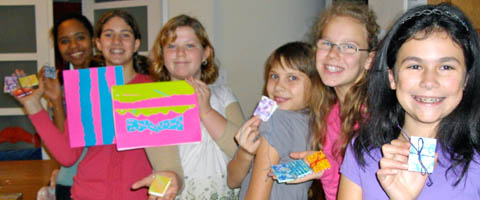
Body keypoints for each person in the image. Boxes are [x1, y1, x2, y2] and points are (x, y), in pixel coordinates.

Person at [338, 3, 480, 199]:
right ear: (392, 77)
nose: (429, 82)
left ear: (466, 79)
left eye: (446, 67)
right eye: (414, 66)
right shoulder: (363, 150)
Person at [13, 10, 152, 199]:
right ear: (98, 43)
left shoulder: (153, 89)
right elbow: (67, 156)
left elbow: (167, 162)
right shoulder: (85, 89)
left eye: (125, 35)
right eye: (109, 34)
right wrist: (32, 105)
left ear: (136, 44)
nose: (116, 41)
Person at [131, 14, 244, 199]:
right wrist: (166, 184)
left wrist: (206, 111)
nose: (180, 53)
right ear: (162, 54)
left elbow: (243, 150)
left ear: (205, 53)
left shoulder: (224, 94)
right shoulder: (152, 101)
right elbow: (165, 167)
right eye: (172, 46)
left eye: (190, 45)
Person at [237, 41, 326, 199]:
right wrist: (245, 152)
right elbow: (233, 180)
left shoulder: (275, 119)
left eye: (292, 77)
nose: (278, 86)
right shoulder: (321, 121)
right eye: (274, 76)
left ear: (315, 83)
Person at [41, 13, 100, 200]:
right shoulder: (63, 87)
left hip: (102, 182)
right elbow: (62, 147)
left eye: (80, 38)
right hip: (69, 181)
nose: (73, 46)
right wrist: (56, 101)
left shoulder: (110, 81)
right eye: (64, 41)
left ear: (93, 40)